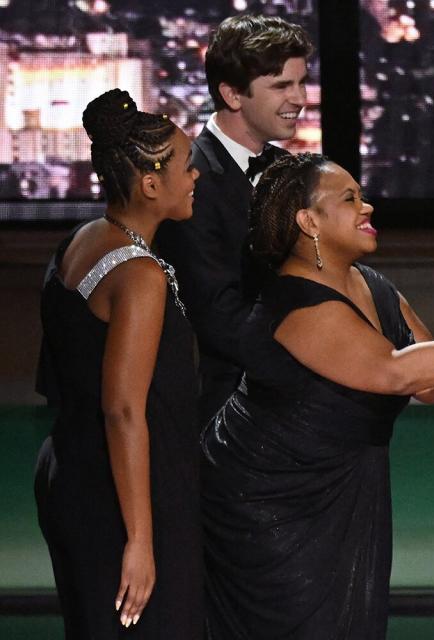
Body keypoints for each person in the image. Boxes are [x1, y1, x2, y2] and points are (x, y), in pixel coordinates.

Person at [201, 153, 434, 639]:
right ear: (308, 221)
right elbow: (394, 372)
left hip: (345, 488)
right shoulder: (296, 303)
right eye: (350, 199)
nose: (368, 208)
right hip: (266, 505)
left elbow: (431, 378)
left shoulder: (375, 287)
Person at [34, 89, 202, 638]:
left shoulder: (81, 240)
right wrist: (140, 540)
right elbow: (123, 411)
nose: (195, 175)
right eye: (186, 165)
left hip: (71, 472)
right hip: (121, 497)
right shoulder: (139, 276)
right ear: (151, 185)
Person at [155, 15, 313, 423]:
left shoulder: (292, 171)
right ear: (232, 94)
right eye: (282, 85)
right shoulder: (189, 181)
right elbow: (216, 316)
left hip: (300, 406)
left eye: (301, 82)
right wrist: (322, 354)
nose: (300, 98)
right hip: (228, 416)